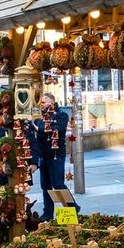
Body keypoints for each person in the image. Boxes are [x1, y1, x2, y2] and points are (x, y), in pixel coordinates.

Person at [35, 92, 70, 221]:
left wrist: (40, 128)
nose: (41, 105)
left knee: (58, 184)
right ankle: (48, 213)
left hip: (56, 155)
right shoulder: (40, 117)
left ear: (51, 102)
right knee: (45, 186)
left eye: (43, 102)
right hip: (44, 155)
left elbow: (59, 129)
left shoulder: (62, 115)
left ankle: (72, 208)